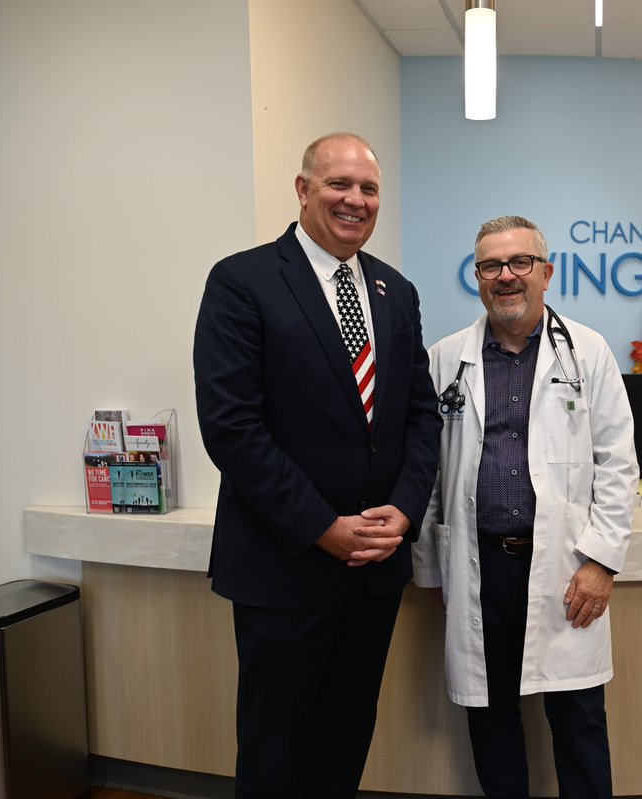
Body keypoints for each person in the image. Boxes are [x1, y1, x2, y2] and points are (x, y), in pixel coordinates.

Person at [193, 132, 441, 799]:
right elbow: (231, 426)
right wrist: (321, 525)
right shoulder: (242, 282)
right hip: (286, 565)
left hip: (374, 573)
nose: (355, 200)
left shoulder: (396, 291)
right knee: (276, 750)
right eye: (339, 184)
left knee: (345, 737)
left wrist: (407, 507)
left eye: (368, 189)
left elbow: (422, 415)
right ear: (303, 189)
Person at [413, 215, 639, 798]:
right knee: (490, 719)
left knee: (578, 719)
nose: (506, 276)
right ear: (478, 277)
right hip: (479, 566)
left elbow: (618, 463)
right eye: (491, 265)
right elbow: (430, 471)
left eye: (520, 263)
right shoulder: (445, 359)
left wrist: (601, 562)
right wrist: (435, 570)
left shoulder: (588, 353)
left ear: (546, 273)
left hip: (567, 568)